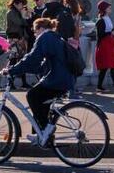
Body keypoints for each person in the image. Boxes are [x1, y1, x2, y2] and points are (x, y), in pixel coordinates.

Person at [5, 18, 75, 146]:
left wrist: (12, 70)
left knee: (32, 95)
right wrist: (22, 70)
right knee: (40, 99)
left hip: (57, 80)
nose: (34, 33)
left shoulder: (45, 37)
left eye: (34, 30)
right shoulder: (54, 37)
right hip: (64, 78)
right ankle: (41, 135)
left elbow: (32, 58)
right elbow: (41, 64)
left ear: (41, 28)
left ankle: (46, 131)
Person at [95, 0, 114, 92]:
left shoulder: (107, 18)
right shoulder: (100, 21)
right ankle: (104, 86)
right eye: (109, 8)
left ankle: (110, 85)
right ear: (104, 9)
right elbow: (100, 35)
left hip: (110, 43)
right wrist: (111, 32)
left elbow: (108, 30)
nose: (110, 9)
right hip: (105, 45)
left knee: (113, 65)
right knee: (106, 66)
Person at [5, 0, 31, 88]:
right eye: (21, 4)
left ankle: (23, 82)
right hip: (13, 39)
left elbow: (26, 23)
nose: (22, 7)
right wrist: (23, 16)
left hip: (20, 38)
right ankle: (10, 82)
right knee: (13, 60)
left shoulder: (17, 12)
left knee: (22, 60)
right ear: (16, 4)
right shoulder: (11, 13)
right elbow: (20, 23)